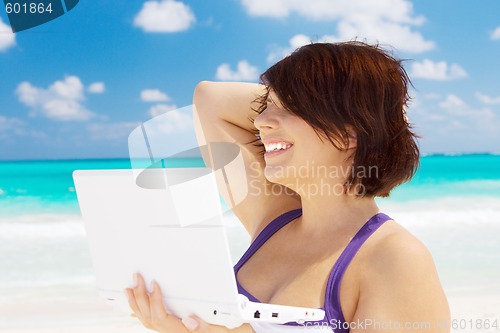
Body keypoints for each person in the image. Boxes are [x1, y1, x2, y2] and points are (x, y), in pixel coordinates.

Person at [125, 41, 450, 333]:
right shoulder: (274, 218)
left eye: (290, 106)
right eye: (268, 104)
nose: (261, 121)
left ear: (349, 133)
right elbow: (210, 99)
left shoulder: (394, 258)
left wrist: (370, 111)